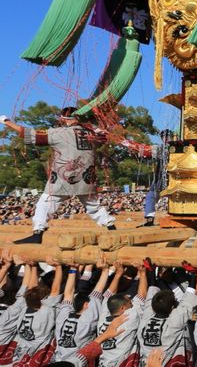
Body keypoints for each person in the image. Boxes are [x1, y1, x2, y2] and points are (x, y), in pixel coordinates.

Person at [1, 108, 117, 244]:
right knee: (93, 205)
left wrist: (7, 122)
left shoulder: (59, 133)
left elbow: (29, 134)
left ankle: (37, 234)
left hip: (63, 178)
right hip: (87, 178)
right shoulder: (91, 133)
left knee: (45, 203)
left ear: (64, 119)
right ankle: (112, 228)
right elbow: (104, 138)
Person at [137, 258, 197, 366]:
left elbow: (150, 297)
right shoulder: (173, 322)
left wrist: (151, 271)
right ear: (172, 308)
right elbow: (188, 303)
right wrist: (193, 275)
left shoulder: (145, 320)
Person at [52, 261, 109, 363]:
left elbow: (68, 294)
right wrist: (105, 270)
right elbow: (97, 292)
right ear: (86, 304)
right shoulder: (86, 321)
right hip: (75, 363)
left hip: (59, 361)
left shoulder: (63, 318)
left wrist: (73, 269)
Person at [141, 130, 172, 227]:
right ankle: (150, 218)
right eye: (163, 137)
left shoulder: (177, 147)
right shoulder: (159, 148)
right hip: (160, 178)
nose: (165, 138)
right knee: (150, 196)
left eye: (167, 136)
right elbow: (147, 153)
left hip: (174, 177)